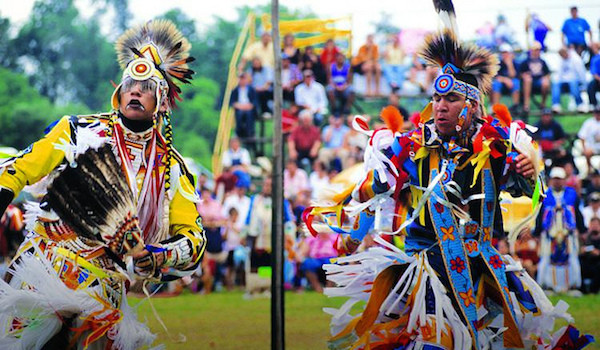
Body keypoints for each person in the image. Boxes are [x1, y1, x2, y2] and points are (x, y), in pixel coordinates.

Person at [303, 4, 593, 347]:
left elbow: (524, 187)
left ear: (471, 105)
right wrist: (351, 229)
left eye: (451, 99)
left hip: (482, 274)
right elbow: (374, 189)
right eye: (437, 97)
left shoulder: (496, 148)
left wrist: (529, 173)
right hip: (427, 275)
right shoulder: (410, 148)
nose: (440, 105)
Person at [0, 20, 206, 347]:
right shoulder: (78, 132)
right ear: (118, 93)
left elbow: (194, 241)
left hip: (104, 298)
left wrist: (158, 257)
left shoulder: (171, 168)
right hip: (46, 273)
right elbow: (23, 167)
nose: (137, 90)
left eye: (147, 87)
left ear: (162, 102)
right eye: (130, 85)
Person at [534, 167, 583, 294]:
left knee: (572, 258)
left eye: (559, 179)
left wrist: (582, 230)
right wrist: (537, 232)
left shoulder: (571, 194)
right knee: (546, 258)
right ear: (550, 180)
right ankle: (545, 285)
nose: (557, 182)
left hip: (568, 234)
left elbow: (577, 213)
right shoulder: (545, 194)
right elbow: (540, 215)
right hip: (549, 235)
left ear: (564, 180)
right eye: (555, 179)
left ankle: (573, 286)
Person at [551, 47, 587, 113]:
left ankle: (580, 104)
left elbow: (581, 72)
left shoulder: (576, 59)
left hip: (576, 81)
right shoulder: (561, 60)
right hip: (564, 83)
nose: (563, 56)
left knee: (573, 82)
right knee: (555, 83)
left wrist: (584, 85)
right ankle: (556, 105)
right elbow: (558, 74)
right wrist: (557, 81)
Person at [520, 41, 551, 114]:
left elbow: (547, 74)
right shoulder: (525, 61)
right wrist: (524, 76)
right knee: (528, 80)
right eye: (535, 50)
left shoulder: (543, 62)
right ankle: (526, 104)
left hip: (539, 81)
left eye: (538, 50)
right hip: (528, 82)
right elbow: (520, 73)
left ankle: (543, 103)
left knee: (545, 82)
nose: (537, 52)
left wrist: (546, 78)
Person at [230, 72, 259, 146]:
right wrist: (240, 106)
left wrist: (249, 106)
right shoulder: (235, 90)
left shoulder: (251, 90)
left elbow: (254, 102)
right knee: (239, 114)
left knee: (249, 113)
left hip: (249, 108)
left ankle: (250, 132)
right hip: (240, 107)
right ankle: (239, 132)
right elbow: (233, 102)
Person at [491, 43, 520, 108]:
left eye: (506, 53)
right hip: (501, 83)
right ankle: (495, 107)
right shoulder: (498, 64)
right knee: (496, 84)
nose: (505, 55)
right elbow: (496, 77)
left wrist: (509, 64)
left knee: (516, 83)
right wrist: (505, 80)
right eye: (503, 53)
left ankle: (516, 106)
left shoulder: (515, 63)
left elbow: (513, 75)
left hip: (512, 83)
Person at [326, 52, 355, 116]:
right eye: (339, 57)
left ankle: (347, 109)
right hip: (334, 86)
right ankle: (334, 109)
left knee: (352, 90)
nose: (340, 59)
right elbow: (329, 79)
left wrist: (343, 87)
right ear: (336, 58)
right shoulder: (331, 67)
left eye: (342, 58)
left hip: (344, 86)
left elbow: (349, 81)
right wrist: (336, 87)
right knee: (330, 90)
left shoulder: (348, 67)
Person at [579, 217, 600, 294]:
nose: (594, 226)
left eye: (596, 225)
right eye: (592, 225)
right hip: (587, 261)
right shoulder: (585, 238)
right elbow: (579, 251)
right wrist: (582, 250)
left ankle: (593, 290)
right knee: (579, 265)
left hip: (597, 262)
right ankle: (582, 290)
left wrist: (597, 252)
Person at [577, 106, 600, 172]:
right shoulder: (589, 123)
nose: (598, 115)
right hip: (592, 146)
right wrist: (584, 148)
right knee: (587, 152)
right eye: (597, 113)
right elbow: (582, 136)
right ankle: (590, 170)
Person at [588, 42, 600, 110]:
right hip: (598, 80)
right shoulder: (595, 58)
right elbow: (593, 72)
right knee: (591, 85)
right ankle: (593, 105)